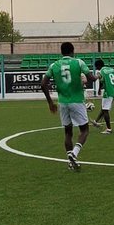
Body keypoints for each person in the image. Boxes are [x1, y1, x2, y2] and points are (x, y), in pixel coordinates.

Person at [41, 42, 96, 171]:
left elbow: (43, 84)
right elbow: (91, 78)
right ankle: (74, 153)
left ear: (61, 52)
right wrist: (96, 77)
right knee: (84, 130)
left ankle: (70, 163)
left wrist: (50, 102)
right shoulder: (79, 62)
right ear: (73, 51)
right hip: (77, 101)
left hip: (63, 103)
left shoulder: (54, 65)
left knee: (68, 132)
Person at [91, 58, 114, 134]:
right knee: (104, 108)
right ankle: (96, 121)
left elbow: (99, 79)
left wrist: (99, 89)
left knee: (105, 110)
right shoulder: (111, 69)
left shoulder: (101, 71)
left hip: (108, 92)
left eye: (96, 67)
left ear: (98, 66)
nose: (96, 68)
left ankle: (109, 129)